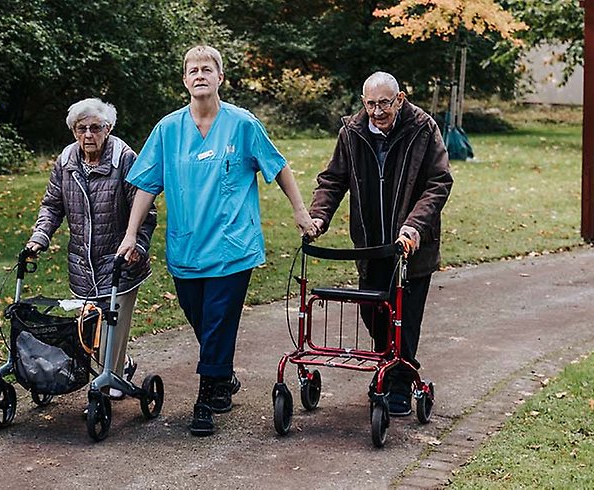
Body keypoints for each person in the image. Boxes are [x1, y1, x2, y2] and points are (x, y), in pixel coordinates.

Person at [116, 45, 316, 437]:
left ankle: (205, 400)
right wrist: (129, 234)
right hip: (187, 248)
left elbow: (278, 168)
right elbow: (144, 186)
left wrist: (299, 210)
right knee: (203, 321)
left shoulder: (242, 124)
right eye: (193, 70)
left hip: (232, 248)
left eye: (208, 69)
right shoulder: (168, 129)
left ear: (220, 77)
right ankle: (222, 377)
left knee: (218, 321)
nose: (200, 75)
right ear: (185, 80)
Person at [308, 71, 453, 417]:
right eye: (371, 104)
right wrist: (318, 217)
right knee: (374, 313)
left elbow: (439, 181)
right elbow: (333, 180)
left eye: (384, 103)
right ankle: (387, 366)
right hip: (371, 246)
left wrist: (415, 225)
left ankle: (400, 382)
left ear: (400, 99)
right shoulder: (352, 132)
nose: (377, 111)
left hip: (411, 247)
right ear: (363, 103)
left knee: (405, 316)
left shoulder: (423, 128)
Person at [26, 98, 157, 399]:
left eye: (95, 128)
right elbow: (52, 205)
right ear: (73, 131)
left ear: (108, 129)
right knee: (91, 330)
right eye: (81, 128)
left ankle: (107, 384)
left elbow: (145, 210)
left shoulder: (124, 158)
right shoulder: (66, 161)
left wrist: (137, 243)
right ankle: (120, 365)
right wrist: (39, 237)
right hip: (82, 265)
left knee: (114, 326)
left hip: (121, 261)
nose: (88, 135)